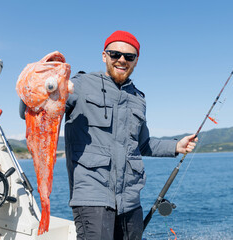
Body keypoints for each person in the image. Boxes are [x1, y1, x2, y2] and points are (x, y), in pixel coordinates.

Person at [63, 30, 197, 240]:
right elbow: (38, 107)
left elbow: (142, 144)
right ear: (104, 55)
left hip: (130, 200)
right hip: (93, 196)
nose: (122, 60)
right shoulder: (79, 85)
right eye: (115, 54)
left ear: (136, 61)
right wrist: (40, 85)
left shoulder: (138, 98)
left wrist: (176, 146)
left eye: (129, 56)